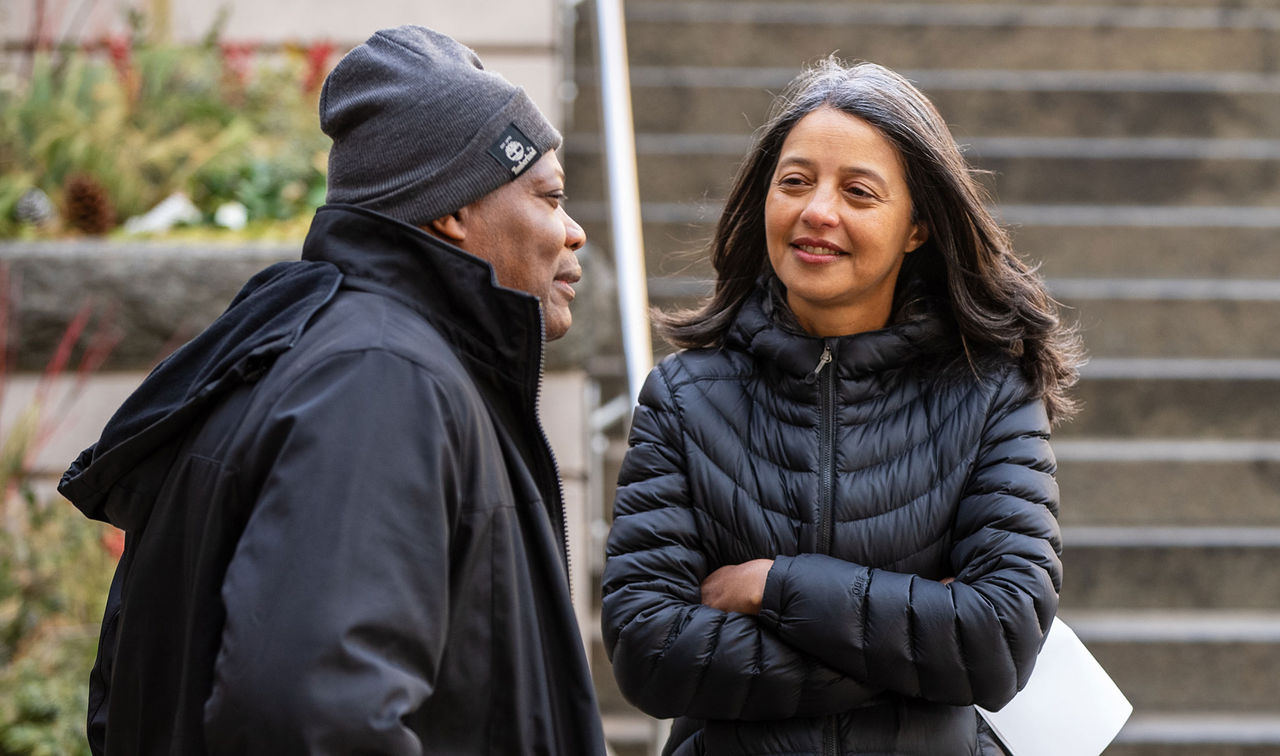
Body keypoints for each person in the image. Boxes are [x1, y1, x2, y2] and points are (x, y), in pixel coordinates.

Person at [60, 26, 607, 755]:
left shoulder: (338, 355)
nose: (573, 232)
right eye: (550, 197)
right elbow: (312, 717)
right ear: (453, 208)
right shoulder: (382, 380)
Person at [601, 57, 1085, 756]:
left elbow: (998, 641)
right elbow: (648, 650)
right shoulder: (682, 398)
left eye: (858, 191)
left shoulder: (989, 394)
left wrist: (776, 587)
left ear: (917, 226)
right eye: (794, 182)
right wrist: (915, 648)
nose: (816, 211)